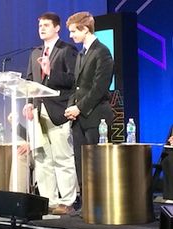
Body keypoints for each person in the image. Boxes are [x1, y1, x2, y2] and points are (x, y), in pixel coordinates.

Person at [22, 12, 78, 215]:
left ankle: (67, 201)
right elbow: (29, 81)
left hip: (58, 110)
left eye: (46, 25)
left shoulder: (67, 50)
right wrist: (29, 103)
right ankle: (49, 200)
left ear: (57, 28)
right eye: (40, 26)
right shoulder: (35, 52)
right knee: (42, 158)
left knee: (62, 157)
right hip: (38, 111)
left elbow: (73, 80)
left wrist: (51, 70)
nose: (42, 29)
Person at [65, 11, 114, 197]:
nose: (70, 36)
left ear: (85, 29)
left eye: (73, 31)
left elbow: (99, 88)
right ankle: (86, 201)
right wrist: (71, 107)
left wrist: (79, 107)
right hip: (79, 118)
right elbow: (76, 86)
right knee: (81, 162)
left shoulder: (102, 52)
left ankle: (100, 201)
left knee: (96, 163)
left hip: (95, 116)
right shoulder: (80, 54)